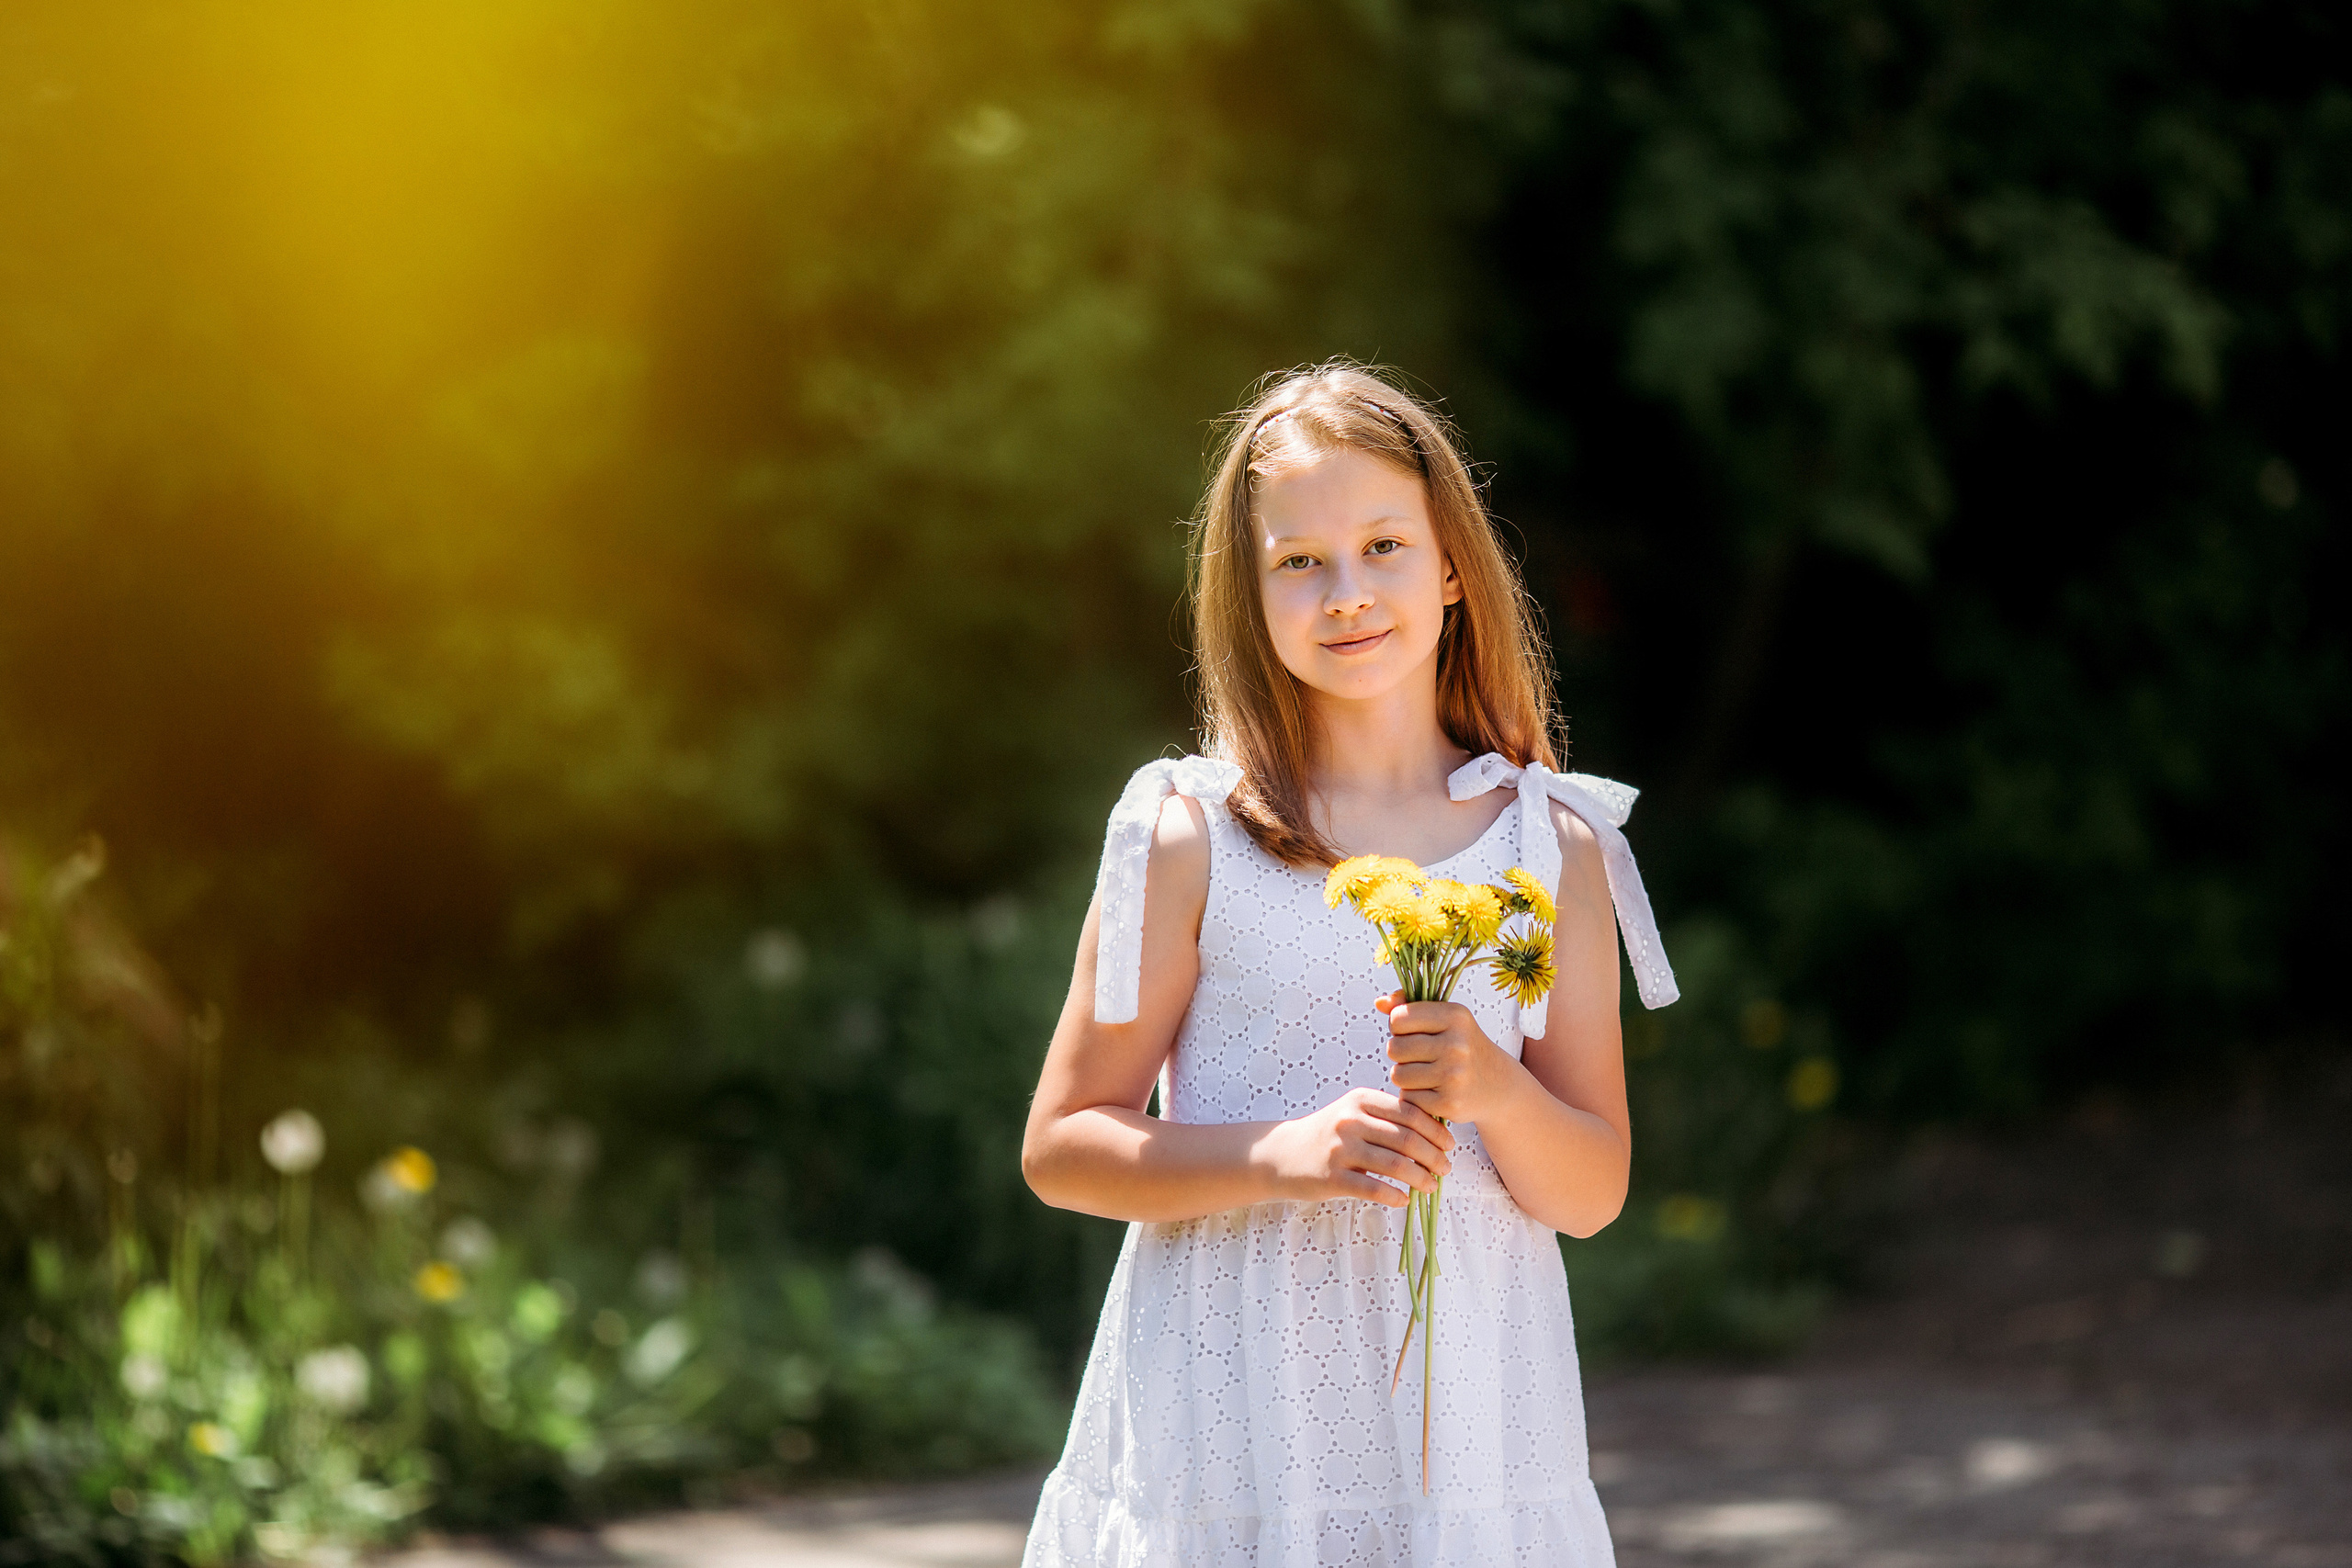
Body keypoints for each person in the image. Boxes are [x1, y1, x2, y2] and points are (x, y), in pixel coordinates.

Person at [1020, 363, 1679, 1566]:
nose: (1347, 592)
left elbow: (1591, 1191)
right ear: (1248, 593)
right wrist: (1283, 1153)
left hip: (1472, 1434)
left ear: (1451, 569)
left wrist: (1493, 1088)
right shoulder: (1187, 835)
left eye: (1383, 545)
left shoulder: (1551, 846)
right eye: (1299, 561)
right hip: (1230, 1425)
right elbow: (1064, 1147)